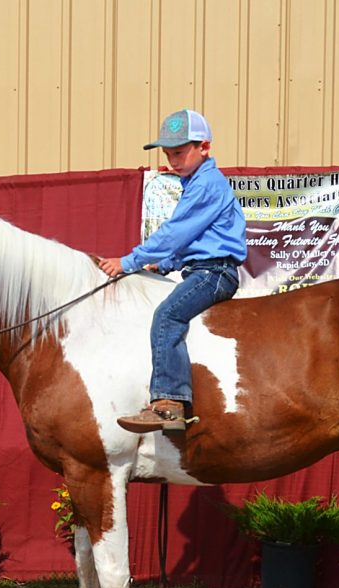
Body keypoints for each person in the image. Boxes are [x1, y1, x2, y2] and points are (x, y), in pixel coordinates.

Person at [97, 108, 247, 433]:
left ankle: (170, 404)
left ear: (204, 147)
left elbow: (176, 233)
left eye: (179, 152)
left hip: (214, 272)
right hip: (203, 267)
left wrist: (130, 261)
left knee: (167, 317)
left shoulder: (206, 184)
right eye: (168, 154)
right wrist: (163, 264)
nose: (172, 161)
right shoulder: (197, 182)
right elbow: (194, 239)